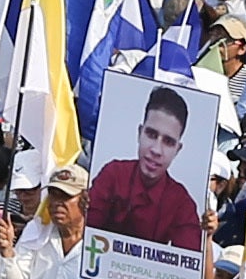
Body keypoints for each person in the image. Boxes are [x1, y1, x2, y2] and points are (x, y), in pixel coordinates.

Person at [76, 80, 210, 259]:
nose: (156, 150)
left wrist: (208, 237)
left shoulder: (181, 203)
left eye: (168, 141)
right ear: (140, 133)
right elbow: (83, 236)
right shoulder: (113, 175)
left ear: (178, 149)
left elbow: (188, 263)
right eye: (151, 135)